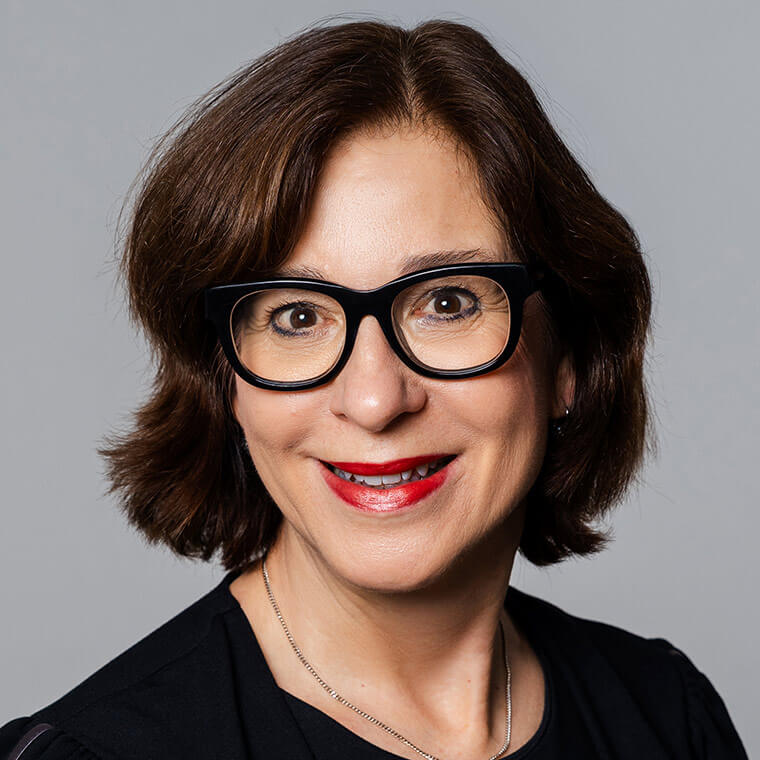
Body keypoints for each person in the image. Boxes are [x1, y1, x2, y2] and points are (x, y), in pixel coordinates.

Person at [0, 17, 748, 760]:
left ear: (568, 359)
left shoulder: (667, 719)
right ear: (224, 381)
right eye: (297, 317)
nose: (375, 401)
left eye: (447, 303)